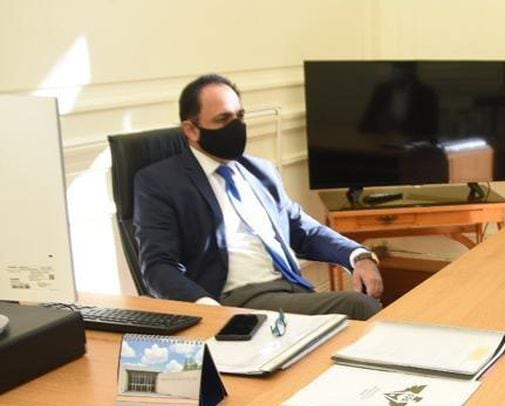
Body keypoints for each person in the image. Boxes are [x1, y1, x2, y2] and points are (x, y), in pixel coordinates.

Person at [134, 74, 384, 320]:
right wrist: (208, 309)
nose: (236, 127)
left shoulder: (259, 171)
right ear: (191, 129)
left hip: (291, 290)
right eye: (223, 119)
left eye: (239, 116)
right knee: (360, 308)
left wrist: (358, 255)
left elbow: (303, 229)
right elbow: (158, 266)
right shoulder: (161, 182)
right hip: (230, 301)